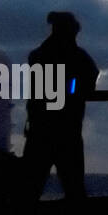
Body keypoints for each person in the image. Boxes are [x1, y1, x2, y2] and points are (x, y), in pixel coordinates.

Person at [25, 12, 98, 200]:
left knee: (30, 188)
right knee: (74, 189)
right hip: (68, 133)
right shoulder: (78, 57)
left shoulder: (37, 55)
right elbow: (91, 78)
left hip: (39, 132)